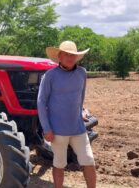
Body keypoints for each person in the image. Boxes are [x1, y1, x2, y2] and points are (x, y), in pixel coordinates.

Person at [37, 40, 96, 188]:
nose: (70, 58)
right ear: (60, 56)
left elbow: (80, 96)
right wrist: (47, 128)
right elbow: (41, 102)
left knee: (88, 161)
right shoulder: (50, 76)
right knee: (59, 163)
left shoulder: (82, 73)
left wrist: (81, 110)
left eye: (73, 55)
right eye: (66, 55)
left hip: (78, 128)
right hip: (57, 131)